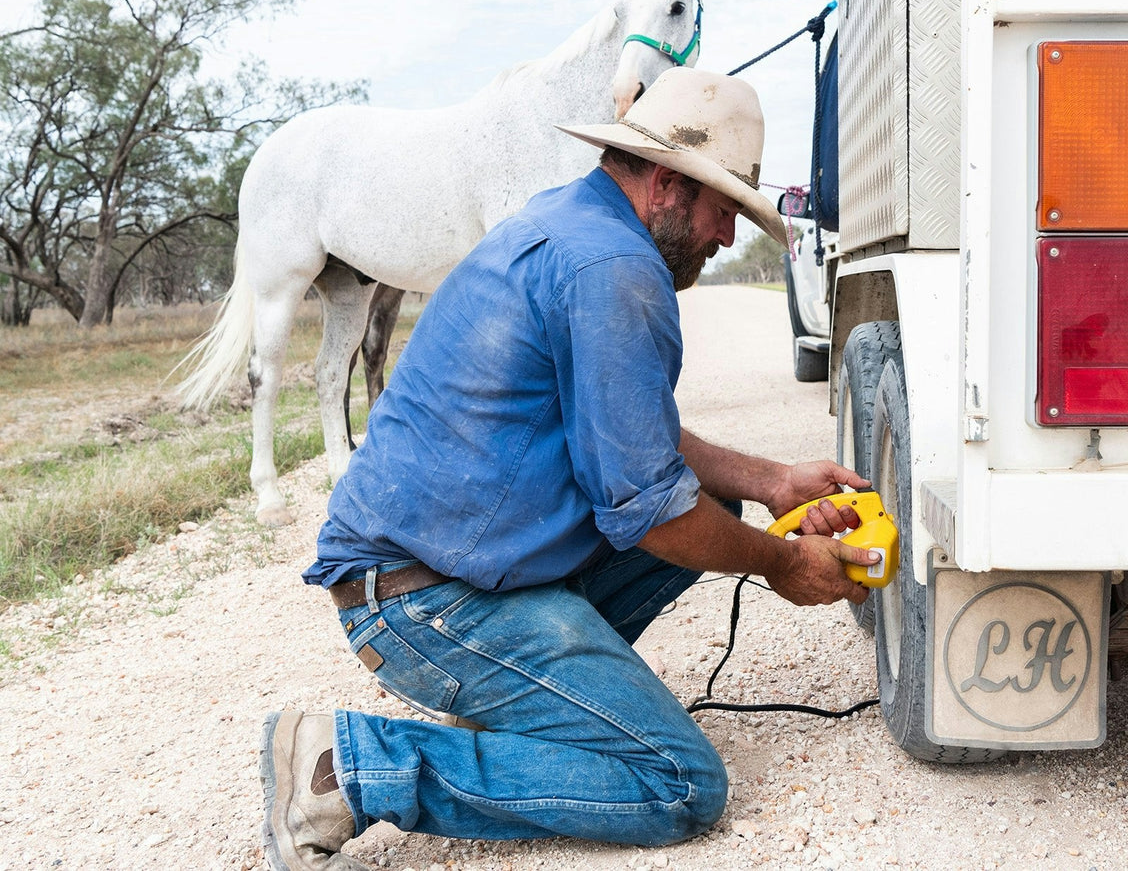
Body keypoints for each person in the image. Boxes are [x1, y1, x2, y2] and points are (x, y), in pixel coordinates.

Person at [259, 68, 878, 871]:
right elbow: (654, 513)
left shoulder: (570, 222)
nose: (727, 237)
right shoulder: (611, 269)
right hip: (423, 602)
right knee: (677, 783)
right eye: (724, 209)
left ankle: (522, 709)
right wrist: (786, 565)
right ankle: (348, 768)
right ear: (667, 185)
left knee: (716, 505)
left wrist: (771, 483)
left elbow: (631, 436)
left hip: (437, 572)